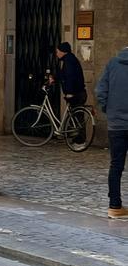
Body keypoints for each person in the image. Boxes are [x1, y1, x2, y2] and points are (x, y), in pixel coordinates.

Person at [95, 45, 128, 219]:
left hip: (116, 124)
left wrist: (110, 110)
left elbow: (100, 91)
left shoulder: (112, 63)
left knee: (116, 165)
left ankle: (114, 206)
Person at [55, 42, 87, 107]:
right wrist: (54, 78)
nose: (56, 54)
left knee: (75, 115)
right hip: (79, 92)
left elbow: (70, 76)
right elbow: (63, 75)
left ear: (63, 52)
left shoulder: (69, 61)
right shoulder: (70, 59)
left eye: (57, 52)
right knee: (74, 115)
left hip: (76, 94)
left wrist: (70, 92)